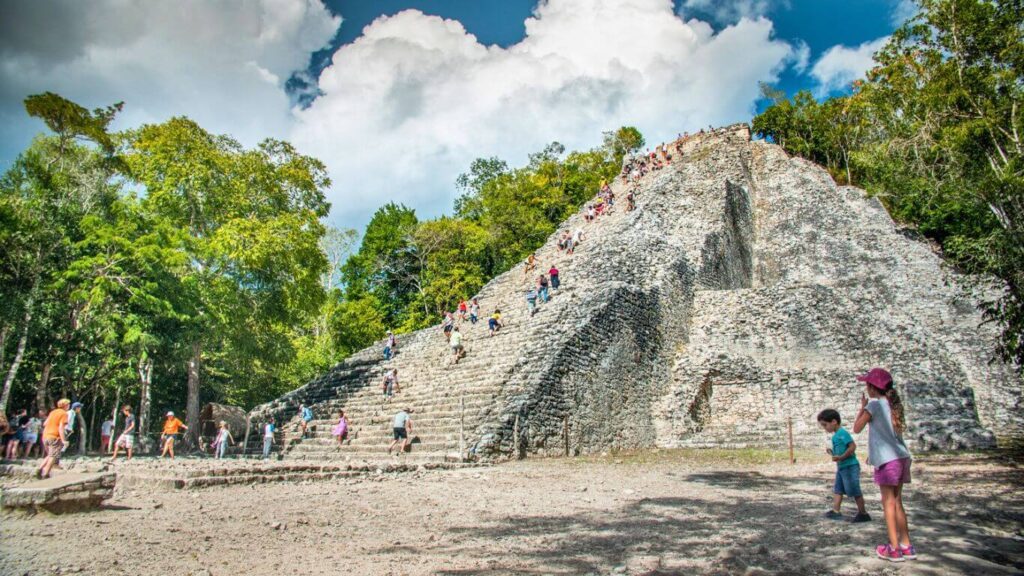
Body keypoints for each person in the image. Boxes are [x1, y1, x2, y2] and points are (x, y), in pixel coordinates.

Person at [852, 368, 915, 563]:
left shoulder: (875, 406)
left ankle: (893, 548)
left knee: (887, 503)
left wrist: (862, 407)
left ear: (872, 387)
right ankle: (906, 545)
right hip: (902, 457)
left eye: (867, 384)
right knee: (897, 502)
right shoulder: (892, 405)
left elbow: (857, 428)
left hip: (887, 460)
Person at [817, 409, 870, 522]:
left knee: (854, 490)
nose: (824, 428)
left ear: (834, 422)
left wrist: (841, 457)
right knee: (838, 489)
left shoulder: (842, 433)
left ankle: (863, 513)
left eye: (825, 425)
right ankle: (836, 510)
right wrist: (832, 453)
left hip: (850, 466)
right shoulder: (835, 436)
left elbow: (852, 447)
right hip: (842, 467)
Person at [37, 399, 70, 478]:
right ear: (65, 405)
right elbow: (61, 427)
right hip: (54, 436)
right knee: (53, 456)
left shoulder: (53, 412)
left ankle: (39, 469)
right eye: (68, 404)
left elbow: (45, 423)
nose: (69, 406)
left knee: (50, 454)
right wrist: (63, 440)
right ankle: (46, 473)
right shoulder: (64, 414)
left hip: (45, 435)